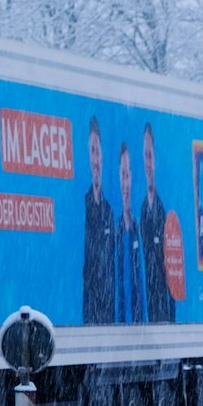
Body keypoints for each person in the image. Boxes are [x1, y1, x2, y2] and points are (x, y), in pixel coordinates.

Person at [138, 123, 175, 323]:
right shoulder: (142, 212)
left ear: (156, 160)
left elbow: (174, 275)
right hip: (148, 316)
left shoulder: (165, 212)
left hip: (164, 314)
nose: (147, 162)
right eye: (145, 155)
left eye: (150, 155)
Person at [81, 117, 115, 325]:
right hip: (91, 312)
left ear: (102, 156)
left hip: (109, 313)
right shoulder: (83, 206)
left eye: (97, 151)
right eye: (91, 151)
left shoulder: (109, 212)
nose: (95, 158)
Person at [115, 144, 147, 323]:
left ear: (132, 177)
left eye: (128, 175)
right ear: (118, 177)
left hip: (141, 328)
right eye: (122, 174)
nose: (125, 183)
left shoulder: (138, 230)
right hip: (118, 327)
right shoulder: (115, 232)